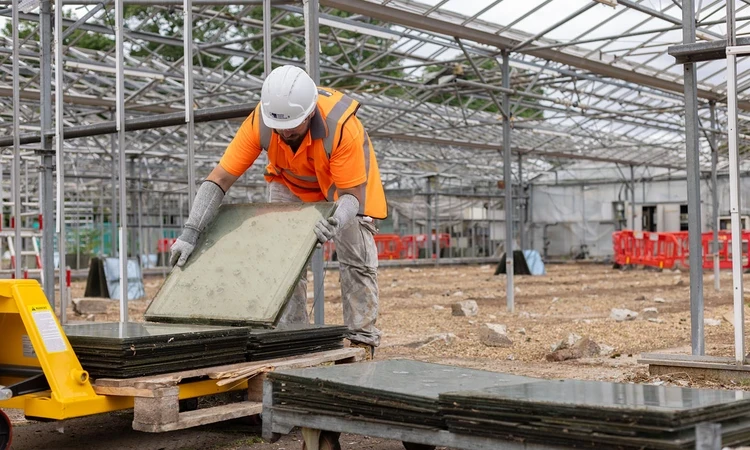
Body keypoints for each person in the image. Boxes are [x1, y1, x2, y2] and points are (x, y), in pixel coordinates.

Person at [169, 65, 387, 358]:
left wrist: (336, 221)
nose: (284, 132)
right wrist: (190, 231)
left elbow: (350, 197)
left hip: (345, 190)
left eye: (292, 126)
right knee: (285, 260)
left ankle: (362, 342)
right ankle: (294, 338)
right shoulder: (261, 121)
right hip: (290, 181)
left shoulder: (342, 128)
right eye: (278, 127)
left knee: (356, 258)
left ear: (309, 113)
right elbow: (219, 179)